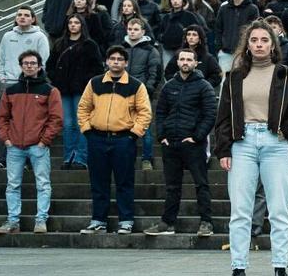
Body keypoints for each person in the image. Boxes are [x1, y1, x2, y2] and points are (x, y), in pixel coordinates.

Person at [212, 20, 288, 276]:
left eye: (265, 40)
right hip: (242, 144)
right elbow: (223, 116)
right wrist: (223, 149)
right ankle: (238, 270)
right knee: (240, 211)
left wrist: (284, 131)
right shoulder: (234, 76)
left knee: (279, 210)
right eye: (254, 40)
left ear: (272, 44)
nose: (259, 44)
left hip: (275, 143)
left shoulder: (286, 75)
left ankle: (280, 269)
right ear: (247, 44)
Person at [77, 45, 152, 234]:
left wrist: (133, 135)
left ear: (126, 63)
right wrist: (88, 131)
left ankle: (126, 220)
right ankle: (98, 220)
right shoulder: (94, 83)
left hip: (123, 140)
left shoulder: (136, 85)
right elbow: (83, 108)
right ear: (107, 61)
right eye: (113, 59)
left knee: (124, 182)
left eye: (120, 59)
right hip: (97, 138)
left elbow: (145, 113)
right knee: (98, 182)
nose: (116, 62)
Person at [144, 48, 217, 238]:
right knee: (172, 186)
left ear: (195, 63)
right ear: (177, 62)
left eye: (189, 59)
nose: (185, 62)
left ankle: (206, 222)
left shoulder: (204, 86)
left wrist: (197, 137)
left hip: (193, 144)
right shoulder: (169, 87)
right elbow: (159, 113)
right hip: (171, 144)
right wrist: (162, 136)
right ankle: (167, 223)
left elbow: (210, 114)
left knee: (201, 184)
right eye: (182, 59)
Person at [0, 50, 61, 234]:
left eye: (33, 63)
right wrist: (6, 139)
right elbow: (2, 117)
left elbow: (56, 119)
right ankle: (12, 221)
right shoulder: (10, 91)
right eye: (26, 63)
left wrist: (44, 141)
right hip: (14, 145)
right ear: (21, 66)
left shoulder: (49, 90)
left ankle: (41, 220)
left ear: (39, 66)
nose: (29, 66)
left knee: (43, 184)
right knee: (12, 185)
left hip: (38, 146)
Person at [48, 15, 102, 169]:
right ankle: (68, 157)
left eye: (77, 22)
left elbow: (97, 67)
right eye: (70, 22)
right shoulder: (59, 44)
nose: (73, 25)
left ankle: (80, 158)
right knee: (67, 124)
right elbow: (50, 65)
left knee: (81, 124)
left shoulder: (90, 45)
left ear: (82, 25)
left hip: (82, 89)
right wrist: (56, 79)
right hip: (63, 89)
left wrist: (85, 81)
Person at [120, 18, 163, 171]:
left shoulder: (151, 50)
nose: (132, 32)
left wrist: (148, 89)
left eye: (136, 29)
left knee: (144, 128)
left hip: (142, 93)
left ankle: (147, 159)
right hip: (121, 93)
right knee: (122, 128)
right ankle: (125, 159)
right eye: (130, 29)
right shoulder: (121, 49)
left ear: (143, 31)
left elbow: (155, 71)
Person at [216, 0, 260, 71]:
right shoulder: (223, 9)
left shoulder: (252, 9)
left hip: (244, 53)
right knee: (225, 83)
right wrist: (220, 47)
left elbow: (255, 31)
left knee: (244, 82)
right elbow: (218, 29)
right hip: (226, 53)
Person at [0, 7, 50, 87]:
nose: (22, 17)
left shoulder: (40, 36)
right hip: (9, 81)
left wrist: (37, 78)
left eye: (26, 15)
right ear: (16, 18)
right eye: (19, 15)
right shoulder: (7, 36)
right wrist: (2, 76)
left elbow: (44, 60)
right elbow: (2, 59)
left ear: (33, 19)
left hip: (31, 82)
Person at [158, 0, 206, 65]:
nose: (175, 1)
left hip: (184, 50)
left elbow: (199, 31)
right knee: (167, 71)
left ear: (183, 0)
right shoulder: (166, 17)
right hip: (168, 49)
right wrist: (163, 37)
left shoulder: (190, 16)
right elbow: (159, 32)